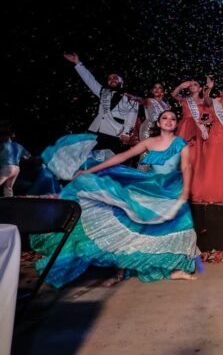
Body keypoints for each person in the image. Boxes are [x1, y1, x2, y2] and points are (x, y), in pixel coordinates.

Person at [31, 110, 199, 287]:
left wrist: (186, 191)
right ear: (158, 123)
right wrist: (89, 171)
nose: (169, 121)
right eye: (165, 118)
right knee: (131, 227)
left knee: (181, 226)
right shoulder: (149, 142)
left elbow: (186, 167)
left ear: (176, 124)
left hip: (172, 189)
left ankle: (173, 269)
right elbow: (121, 157)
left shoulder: (181, 143)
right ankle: (120, 272)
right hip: (151, 187)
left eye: (173, 118)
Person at [63, 53, 139, 153]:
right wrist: (77, 63)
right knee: (87, 158)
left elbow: (132, 116)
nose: (112, 80)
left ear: (122, 81)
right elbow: (89, 80)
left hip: (114, 133)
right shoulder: (104, 92)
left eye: (115, 77)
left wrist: (126, 133)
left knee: (109, 160)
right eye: (109, 78)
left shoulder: (131, 96)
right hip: (96, 131)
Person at [0, 124, 31, 197]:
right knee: (8, 187)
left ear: (6, 136)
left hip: (7, 167)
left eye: (1, 136)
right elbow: (28, 156)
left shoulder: (3, 145)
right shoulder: (19, 146)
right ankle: (10, 201)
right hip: (16, 168)